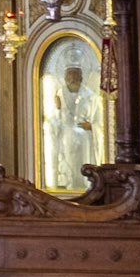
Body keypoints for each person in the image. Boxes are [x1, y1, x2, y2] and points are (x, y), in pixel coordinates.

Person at [44, 58, 101, 191]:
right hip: (65, 138)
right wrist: (57, 109)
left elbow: (100, 121)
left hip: (84, 140)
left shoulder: (91, 97)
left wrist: (92, 126)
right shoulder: (57, 96)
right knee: (68, 168)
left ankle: (87, 189)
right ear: (65, 76)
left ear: (81, 76)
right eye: (70, 74)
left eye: (76, 74)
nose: (73, 77)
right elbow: (50, 123)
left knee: (83, 168)